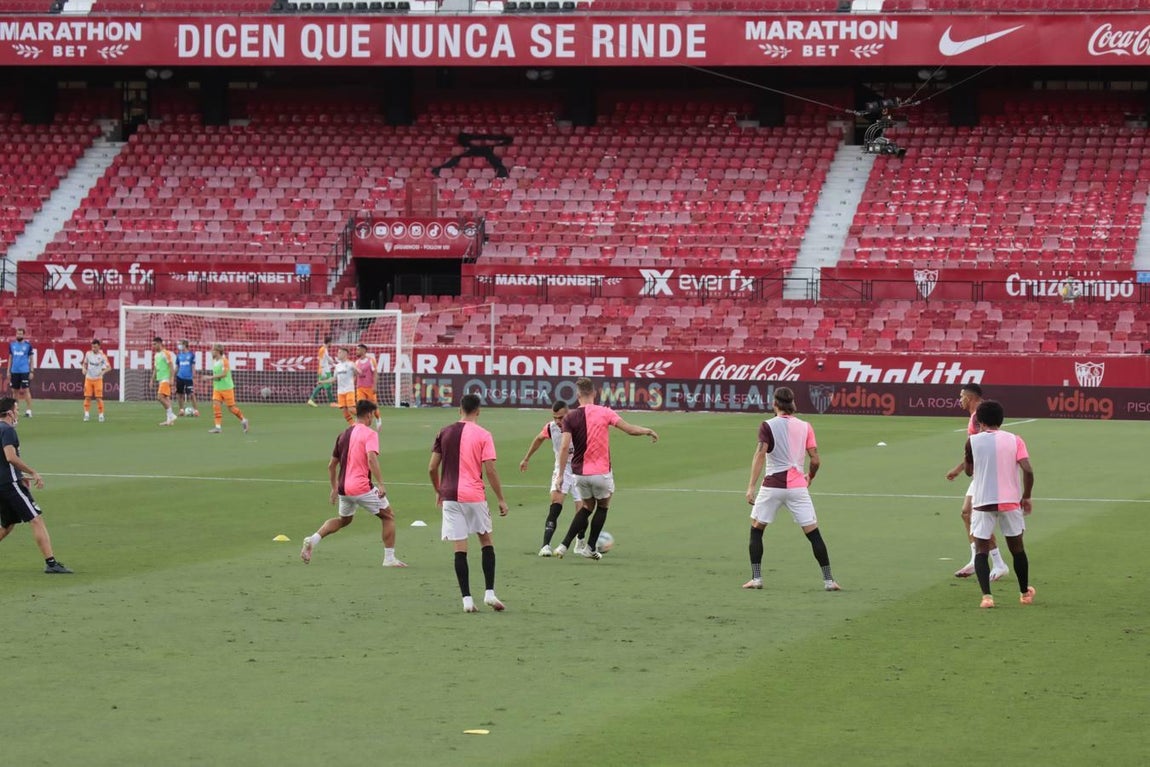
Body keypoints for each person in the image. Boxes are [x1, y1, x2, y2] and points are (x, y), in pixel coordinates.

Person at [743, 386, 840, 592]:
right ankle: (829, 580)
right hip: (798, 487)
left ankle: (757, 578)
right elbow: (815, 460)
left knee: (756, 529)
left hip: (772, 486)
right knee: (813, 533)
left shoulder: (767, 425)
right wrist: (810, 477)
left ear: (775, 403)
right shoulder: (806, 426)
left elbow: (760, 455)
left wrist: (751, 486)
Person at [553, 377, 658, 560]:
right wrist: (647, 431)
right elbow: (629, 429)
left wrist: (561, 475)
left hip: (579, 473)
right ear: (594, 393)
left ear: (578, 395)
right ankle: (590, 547)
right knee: (602, 506)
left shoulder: (569, 417)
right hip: (601, 472)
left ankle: (563, 545)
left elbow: (563, 447)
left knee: (586, 507)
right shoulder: (605, 412)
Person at [300, 399, 407, 568]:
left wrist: (334, 488)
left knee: (344, 520)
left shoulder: (343, 435)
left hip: (344, 489)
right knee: (388, 516)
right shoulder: (370, 434)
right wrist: (381, 484)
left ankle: (313, 540)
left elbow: (331, 465)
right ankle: (389, 558)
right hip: (361, 487)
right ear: (369, 415)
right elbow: (371, 458)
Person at [429, 393, 509, 613]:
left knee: (459, 548)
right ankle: (490, 593)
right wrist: (501, 498)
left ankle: (466, 600)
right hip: (473, 495)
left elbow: (431, 468)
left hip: (450, 497)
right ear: (479, 411)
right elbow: (490, 469)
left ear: (459, 410)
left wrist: (438, 491)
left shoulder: (443, 432)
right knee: (486, 541)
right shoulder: (484, 434)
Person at [964, 400, 1036, 609]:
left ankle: (987, 597)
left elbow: (969, 471)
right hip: (1010, 502)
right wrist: (1027, 496)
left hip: (982, 502)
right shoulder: (1015, 440)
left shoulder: (972, 441)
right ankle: (1024, 594)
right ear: (1001, 420)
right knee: (1017, 548)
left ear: (980, 421)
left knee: (981, 549)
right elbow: (1028, 470)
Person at [945, 383, 1009, 581]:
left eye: (962, 396)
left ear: (970, 397)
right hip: (980, 474)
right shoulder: (977, 415)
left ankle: (997, 563)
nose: (960, 400)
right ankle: (977, 559)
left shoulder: (977, 417)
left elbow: (979, 448)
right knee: (967, 513)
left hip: (985, 475)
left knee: (976, 516)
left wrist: (959, 468)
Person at [0, 397, 72, 573]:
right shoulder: (7, 430)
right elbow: (10, 457)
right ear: (9, 412)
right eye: (16, 409)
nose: (18, 412)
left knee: (8, 524)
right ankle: (51, 563)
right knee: (36, 518)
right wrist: (32, 472)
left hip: (4, 482)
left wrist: (19, 474)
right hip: (10, 484)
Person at [519, 399, 587, 557]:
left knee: (582, 509)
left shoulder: (579, 426)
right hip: (561, 468)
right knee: (556, 503)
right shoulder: (551, 427)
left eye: (561, 417)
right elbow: (538, 439)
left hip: (580, 469)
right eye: (555, 417)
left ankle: (580, 540)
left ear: (568, 414)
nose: (558, 421)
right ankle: (545, 545)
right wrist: (526, 458)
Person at [203, 343, 248, 434]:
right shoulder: (215, 361)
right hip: (217, 388)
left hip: (227, 388)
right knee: (216, 406)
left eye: (213, 350)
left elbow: (224, 374)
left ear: (218, 351)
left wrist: (210, 377)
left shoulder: (224, 361)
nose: (211, 352)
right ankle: (218, 427)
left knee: (231, 408)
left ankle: (243, 420)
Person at [5, 328, 34, 418]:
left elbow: (31, 359)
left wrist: (31, 371)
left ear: (23, 335)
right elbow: (10, 358)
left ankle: (29, 410)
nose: (19, 335)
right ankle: (15, 410)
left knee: (26, 390)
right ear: (16, 334)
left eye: (21, 334)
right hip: (14, 371)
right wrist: (8, 370)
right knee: (15, 391)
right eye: (18, 333)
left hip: (24, 371)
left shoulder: (28, 345)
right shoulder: (12, 345)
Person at [81, 339, 111, 423]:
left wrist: (103, 371)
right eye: (92, 347)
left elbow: (109, 367)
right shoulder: (88, 354)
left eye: (95, 347)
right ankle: (86, 414)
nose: (93, 348)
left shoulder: (102, 356)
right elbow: (85, 363)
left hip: (98, 379)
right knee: (87, 397)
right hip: (88, 378)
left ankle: (101, 415)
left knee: (98, 398)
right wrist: (83, 369)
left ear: (99, 347)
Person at [354, 343, 381, 429]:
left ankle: (378, 418)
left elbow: (375, 373)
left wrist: (375, 386)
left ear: (364, 350)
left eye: (358, 349)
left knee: (373, 407)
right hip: (360, 387)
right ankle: (361, 423)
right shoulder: (356, 362)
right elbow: (355, 375)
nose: (356, 351)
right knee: (360, 405)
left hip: (369, 387)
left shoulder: (371, 360)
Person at [153, 336, 177, 426]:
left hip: (166, 379)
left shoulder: (165, 353)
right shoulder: (156, 355)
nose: (153, 346)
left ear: (159, 344)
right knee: (166, 398)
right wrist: (152, 380)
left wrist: (171, 379)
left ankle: (171, 415)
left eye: (154, 344)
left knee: (160, 397)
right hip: (160, 379)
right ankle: (169, 420)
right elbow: (155, 368)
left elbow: (171, 366)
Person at [306, 335, 335, 408]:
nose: (331, 344)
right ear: (329, 342)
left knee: (324, 386)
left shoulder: (322, 349)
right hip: (324, 370)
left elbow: (323, 359)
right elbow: (328, 359)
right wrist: (334, 363)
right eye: (331, 343)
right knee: (326, 385)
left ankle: (312, 400)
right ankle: (331, 402)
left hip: (322, 369)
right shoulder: (324, 349)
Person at [174, 340, 199, 417]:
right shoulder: (179, 355)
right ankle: (181, 410)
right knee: (179, 394)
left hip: (188, 378)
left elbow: (193, 366)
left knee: (191, 394)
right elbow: (177, 366)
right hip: (179, 377)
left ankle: (196, 411)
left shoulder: (191, 355)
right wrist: (172, 376)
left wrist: (194, 377)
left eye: (180, 344)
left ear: (185, 345)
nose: (179, 346)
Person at [332, 347, 357, 426]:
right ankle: (353, 425)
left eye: (339, 352)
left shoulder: (351, 364)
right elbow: (333, 379)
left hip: (349, 390)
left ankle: (364, 416)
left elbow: (356, 374)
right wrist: (322, 382)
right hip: (340, 391)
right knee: (344, 411)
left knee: (351, 409)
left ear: (345, 354)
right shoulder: (337, 366)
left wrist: (352, 380)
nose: (338, 354)